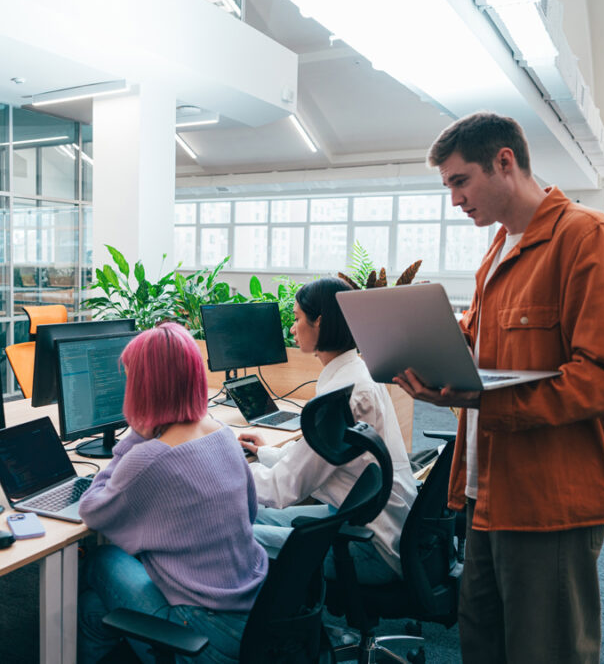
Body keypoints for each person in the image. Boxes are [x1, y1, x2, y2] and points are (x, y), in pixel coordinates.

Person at [395, 112, 604, 663]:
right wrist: (432, 355)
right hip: (485, 489)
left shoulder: (590, 240)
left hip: (551, 493)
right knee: (483, 638)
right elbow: (487, 351)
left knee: (546, 649)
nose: (454, 200)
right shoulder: (498, 249)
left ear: (504, 161)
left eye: (460, 181)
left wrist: (481, 399)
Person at [77, 322, 268, 664]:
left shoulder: (149, 457)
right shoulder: (222, 432)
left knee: (101, 561)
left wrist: (137, 433)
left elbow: (91, 509)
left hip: (204, 632)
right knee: (93, 608)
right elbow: (251, 513)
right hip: (257, 615)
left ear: (144, 388)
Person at [239, 277, 418, 584]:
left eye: (297, 319)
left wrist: (225, 469)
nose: (293, 329)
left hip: (368, 544)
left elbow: (282, 490)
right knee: (249, 515)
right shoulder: (357, 373)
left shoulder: (343, 395)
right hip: (368, 521)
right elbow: (315, 458)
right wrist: (265, 453)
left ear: (319, 321)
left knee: (232, 535)